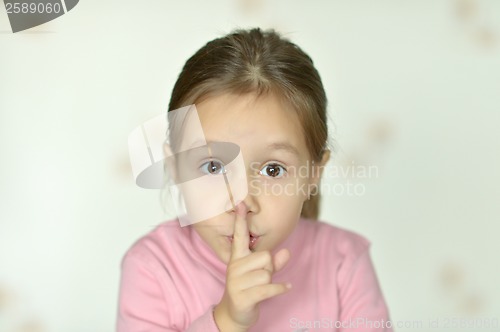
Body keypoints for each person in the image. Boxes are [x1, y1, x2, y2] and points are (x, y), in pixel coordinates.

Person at [117, 28, 392, 332]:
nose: (241, 203)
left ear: (314, 174)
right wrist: (226, 320)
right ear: (177, 167)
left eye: (273, 170)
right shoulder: (153, 268)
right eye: (213, 166)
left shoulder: (344, 262)